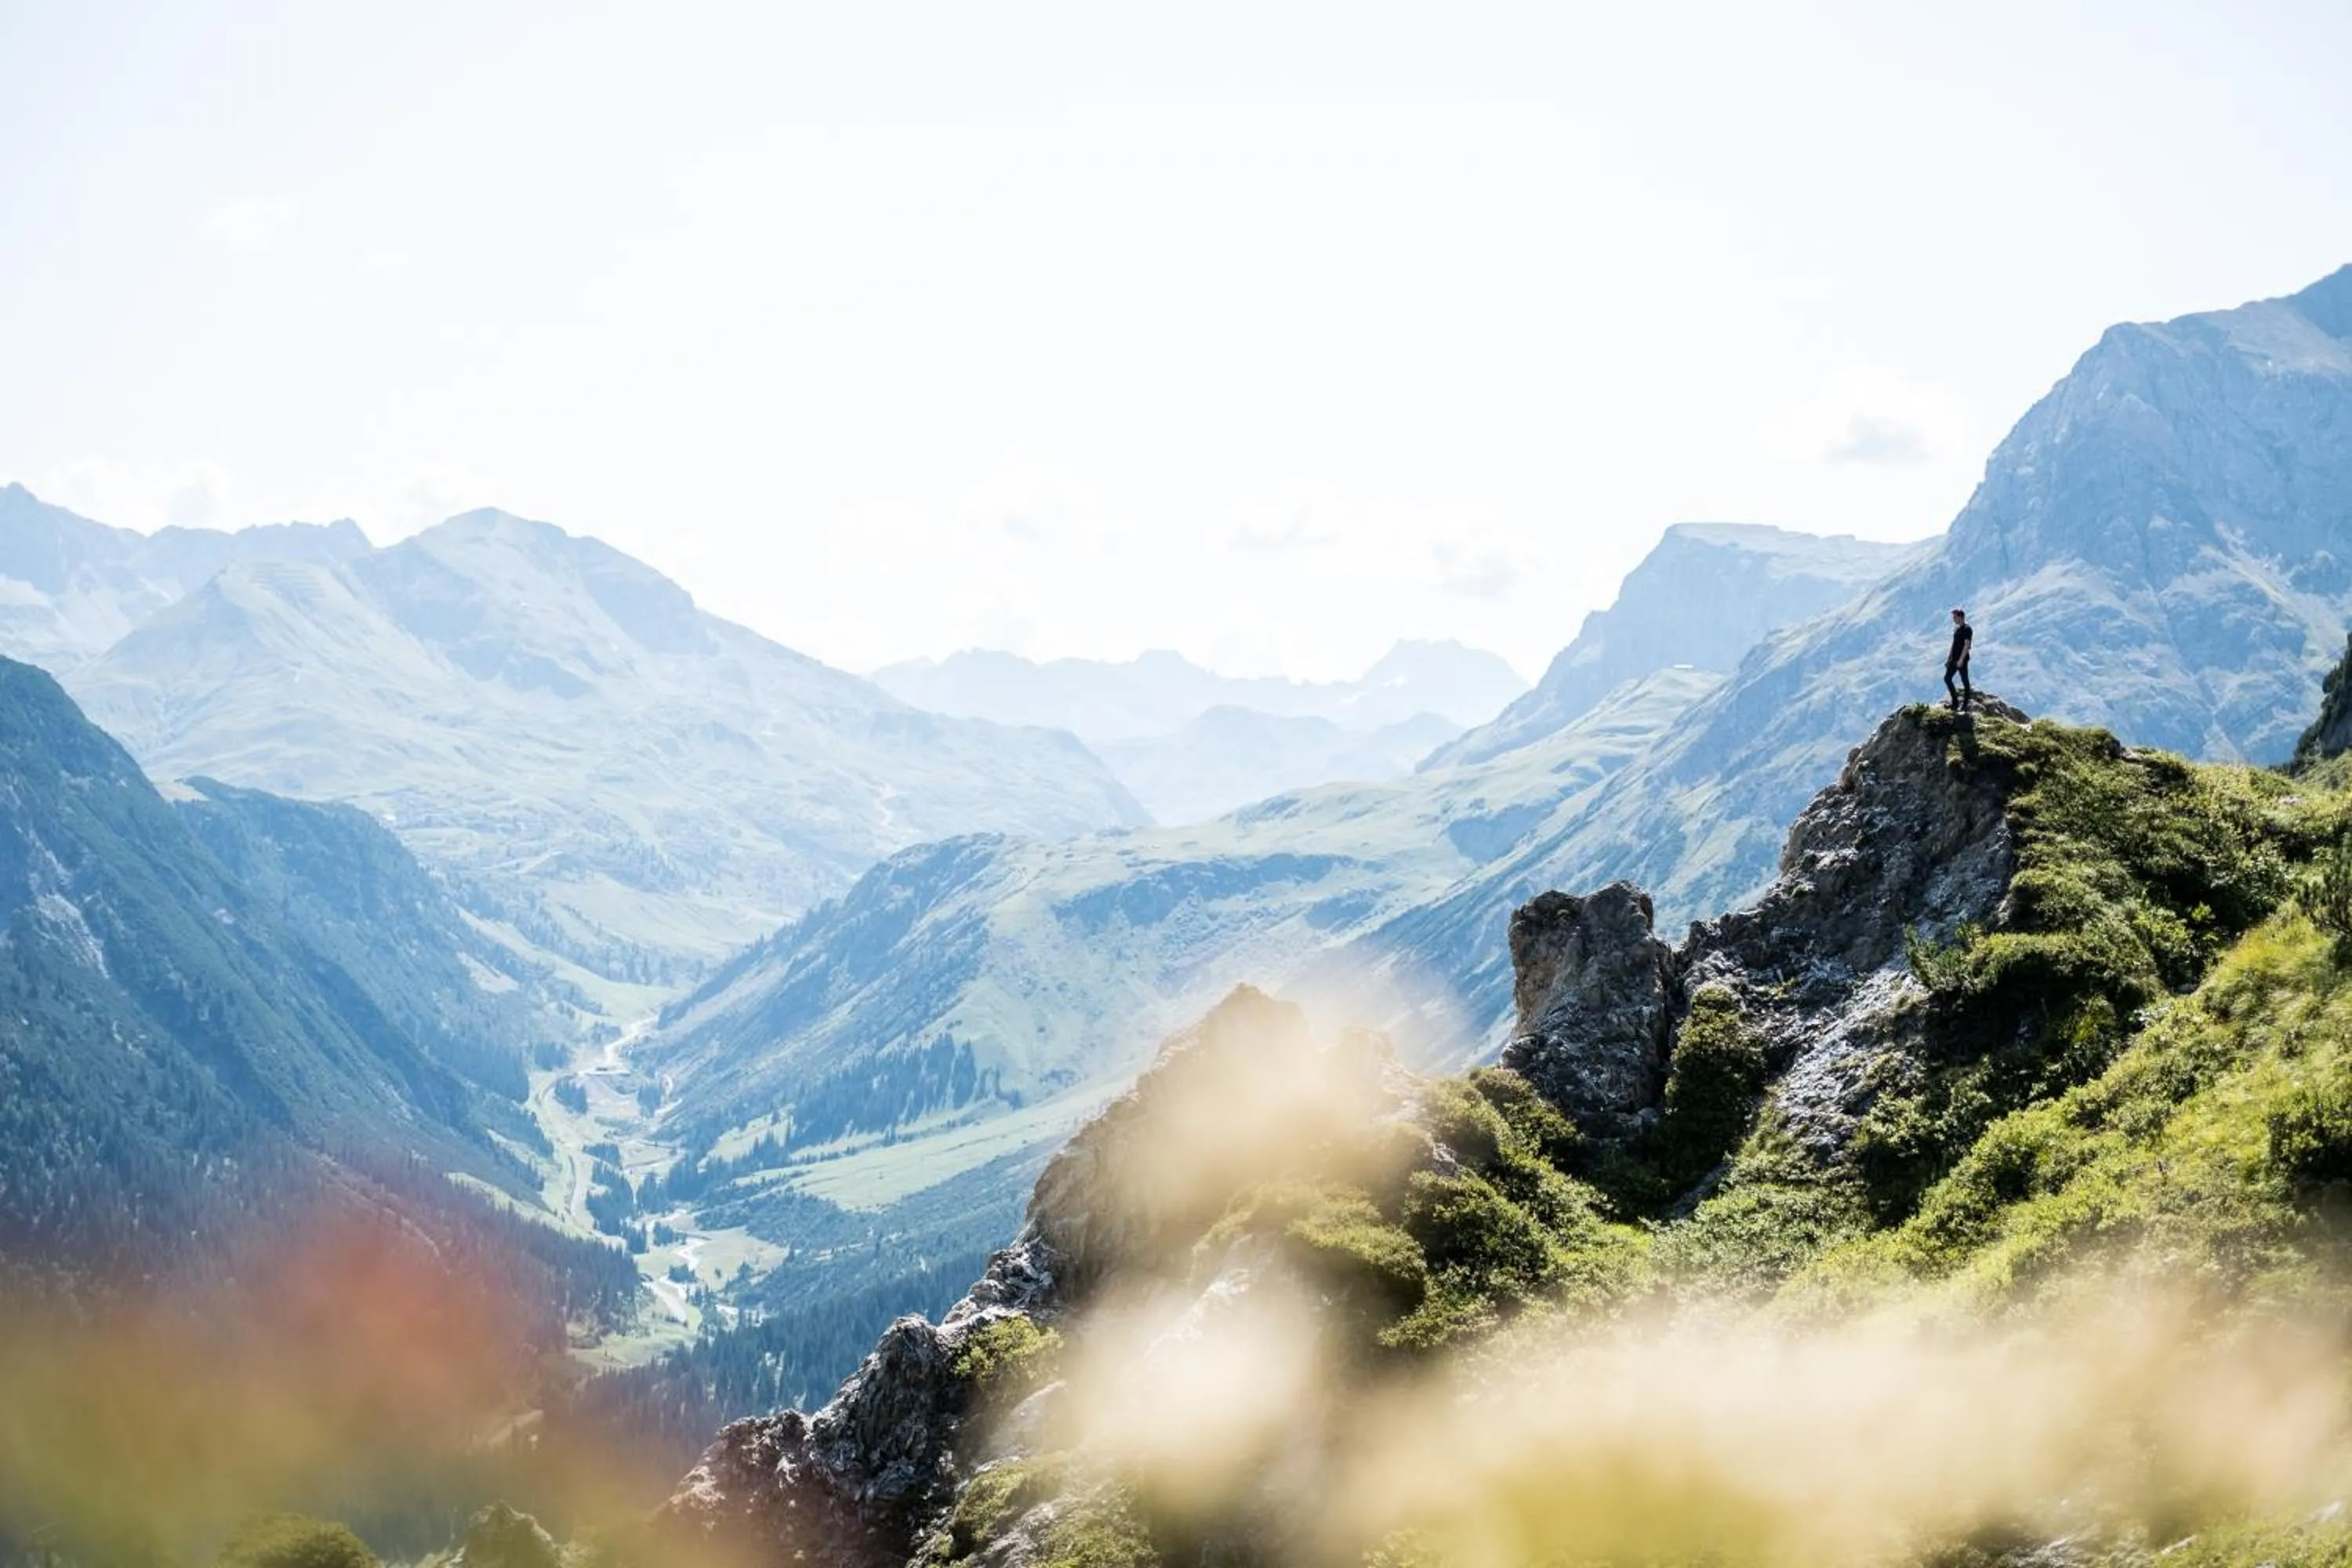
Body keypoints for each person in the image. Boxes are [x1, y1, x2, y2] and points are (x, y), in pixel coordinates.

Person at [1944, 608, 1974, 712]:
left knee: (1965, 681)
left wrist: (1961, 660)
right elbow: (1954, 645)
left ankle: (1965, 704)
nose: (1954, 619)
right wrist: (1949, 659)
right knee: (1947, 678)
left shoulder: (1967, 629)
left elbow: (1967, 645)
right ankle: (1955, 703)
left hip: (1962, 660)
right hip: (1953, 659)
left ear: (1961, 617)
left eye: (1955, 617)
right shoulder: (1957, 629)